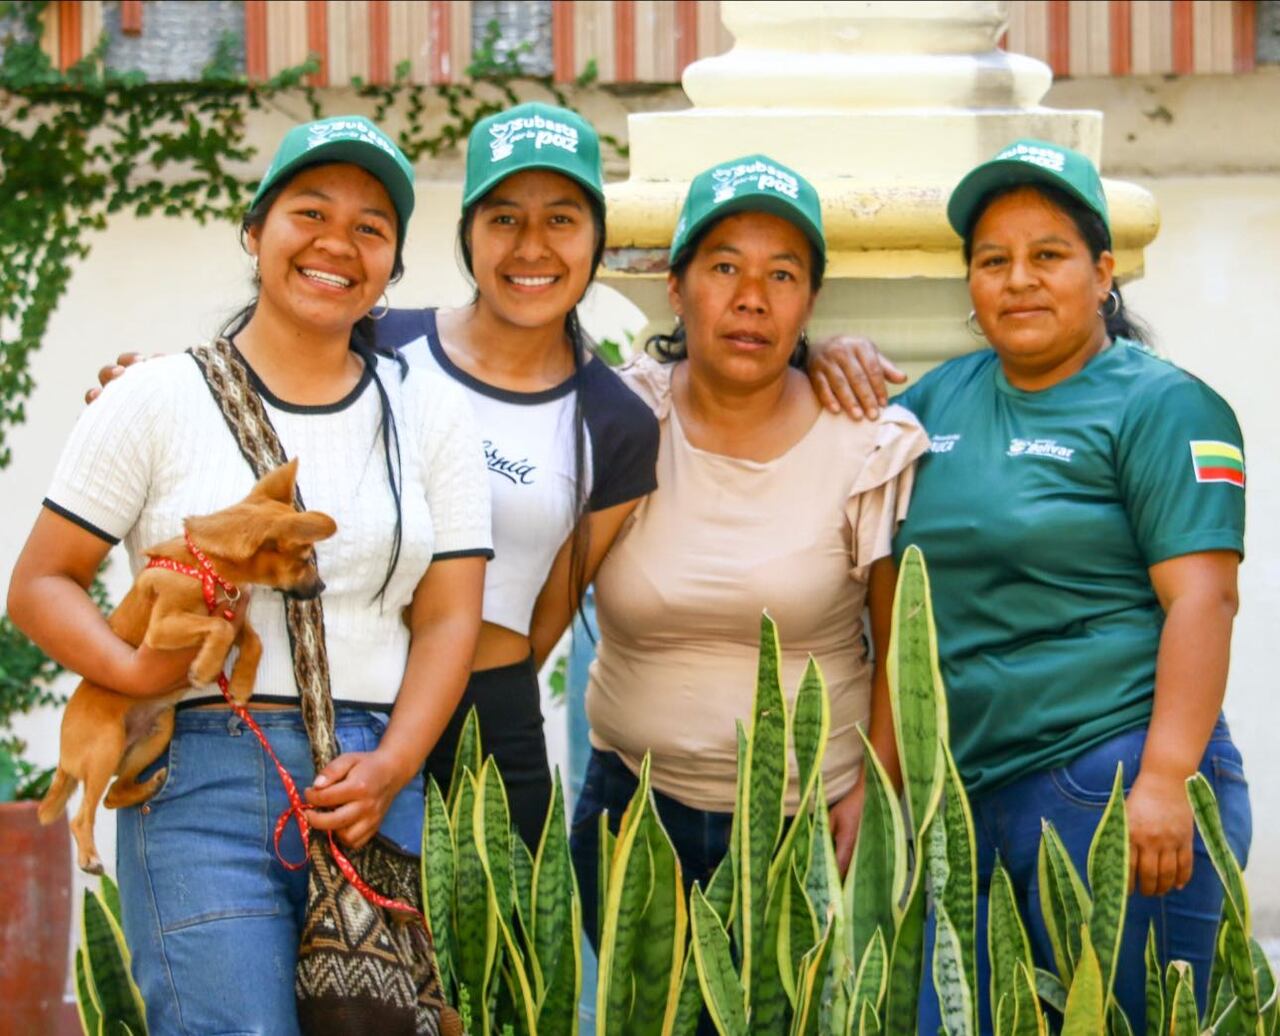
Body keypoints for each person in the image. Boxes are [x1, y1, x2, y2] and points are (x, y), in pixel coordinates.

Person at [8, 116, 492, 1034]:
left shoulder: (430, 413)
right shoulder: (153, 397)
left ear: (390, 268)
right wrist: (142, 673)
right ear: (255, 232)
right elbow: (40, 584)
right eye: (309, 211)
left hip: (371, 779)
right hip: (201, 777)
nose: (336, 244)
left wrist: (393, 764)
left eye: (370, 228)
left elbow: (447, 621)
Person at [817, 139, 1250, 1033]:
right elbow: (901, 614)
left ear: (1102, 273)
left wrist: (1167, 779)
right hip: (967, 806)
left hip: (1116, 788)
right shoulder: (936, 404)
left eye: (1047, 256)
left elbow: (1204, 600)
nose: (1019, 280)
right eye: (992, 261)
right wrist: (821, 353)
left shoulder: (1162, 405)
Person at [568, 154, 929, 943]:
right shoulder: (624, 421)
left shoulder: (869, 443)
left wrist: (881, 789)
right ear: (676, 286)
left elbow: (905, 649)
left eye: (782, 276)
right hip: (633, 817)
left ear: (810, 300)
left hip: (812, 829)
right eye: (724, 267)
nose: (750, 300)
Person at [376, 102, 661, 846]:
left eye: (561, 219)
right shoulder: (375, 342)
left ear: (597, 236)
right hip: (343, 704)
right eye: (504, 218)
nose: (531, 248)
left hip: (488, 732)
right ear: (469, 232)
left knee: (498, 961)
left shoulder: (618, 422)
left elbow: (544, 621)